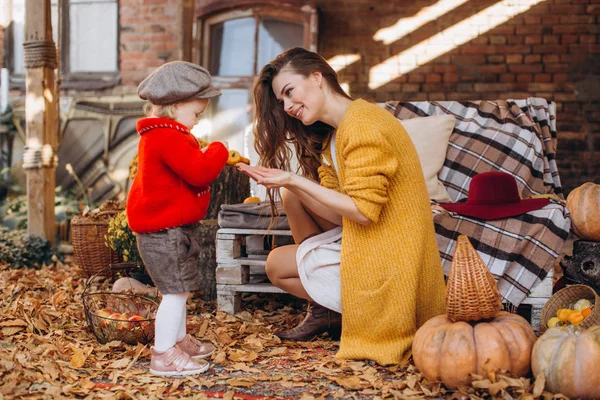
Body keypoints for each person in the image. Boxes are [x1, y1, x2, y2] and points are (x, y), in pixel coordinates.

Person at [237, 47, 446, 365]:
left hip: (391, 255)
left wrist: (293, 181)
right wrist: (289, 184)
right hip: (369, 237)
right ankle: (326, 311)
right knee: (283, 234)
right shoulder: (336, 134)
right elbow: (339, 215)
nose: (288, 106)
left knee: (290, 207)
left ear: (317, 78)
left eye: (290, 92)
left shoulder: (364, 125)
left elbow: (363, 212)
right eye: (282, 102)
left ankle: (345, 311)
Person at [127, 61, 229, 376]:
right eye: (196, 114)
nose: (198, 122)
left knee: (178, 289)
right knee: (174, 292)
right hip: (166, 233)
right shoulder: (168, 137)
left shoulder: (158, 135)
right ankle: (163, 354)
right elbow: (199, 173)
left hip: (167, 230)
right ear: (176, 106)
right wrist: (219, 149)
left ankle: (178, 340)